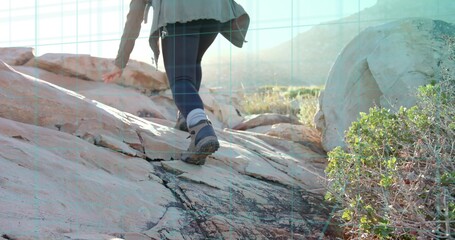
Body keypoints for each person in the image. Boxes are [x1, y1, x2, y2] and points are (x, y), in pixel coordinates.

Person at [103, 0, 250, 165]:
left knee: (180, 78)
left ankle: (201, 129)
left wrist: (120, 62)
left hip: (178, 11)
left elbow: (134, 18)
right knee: (192, 62)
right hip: (214, 11)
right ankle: (184, 117)